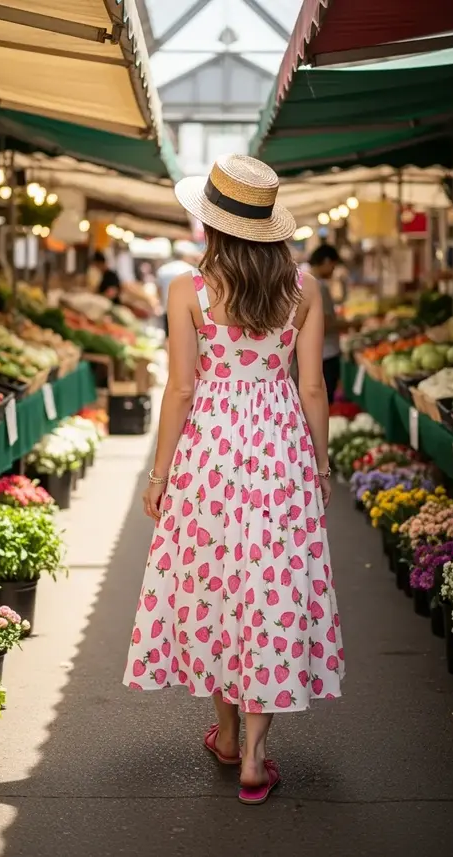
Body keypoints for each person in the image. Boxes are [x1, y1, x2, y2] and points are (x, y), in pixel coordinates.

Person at [122, 154, 344, 805]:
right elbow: (311, 386)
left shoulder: (188, 291)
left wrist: (159, 473)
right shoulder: (305, 289)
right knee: (268, 588)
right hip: (279, 449)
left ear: (213, 225)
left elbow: (182, 386)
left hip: (209, 452)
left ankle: (223, 734)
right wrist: (322, 464)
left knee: (217, 585)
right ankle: (253, 753)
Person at [306, 244, 350, 403]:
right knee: (326, 399)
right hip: (327, 353)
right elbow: (323, 324)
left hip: (316, 353)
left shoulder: (304, 281)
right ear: (325, 261)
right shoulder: (318, 286)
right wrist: (349, 325)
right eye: (333, 264)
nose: (333, 269)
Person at [156, 243, 195, 339]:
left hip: (167, 308)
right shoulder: (191, 270)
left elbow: (159, 290)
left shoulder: (163, 269)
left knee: (169, 337)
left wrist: (161, 303)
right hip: (187, 311)